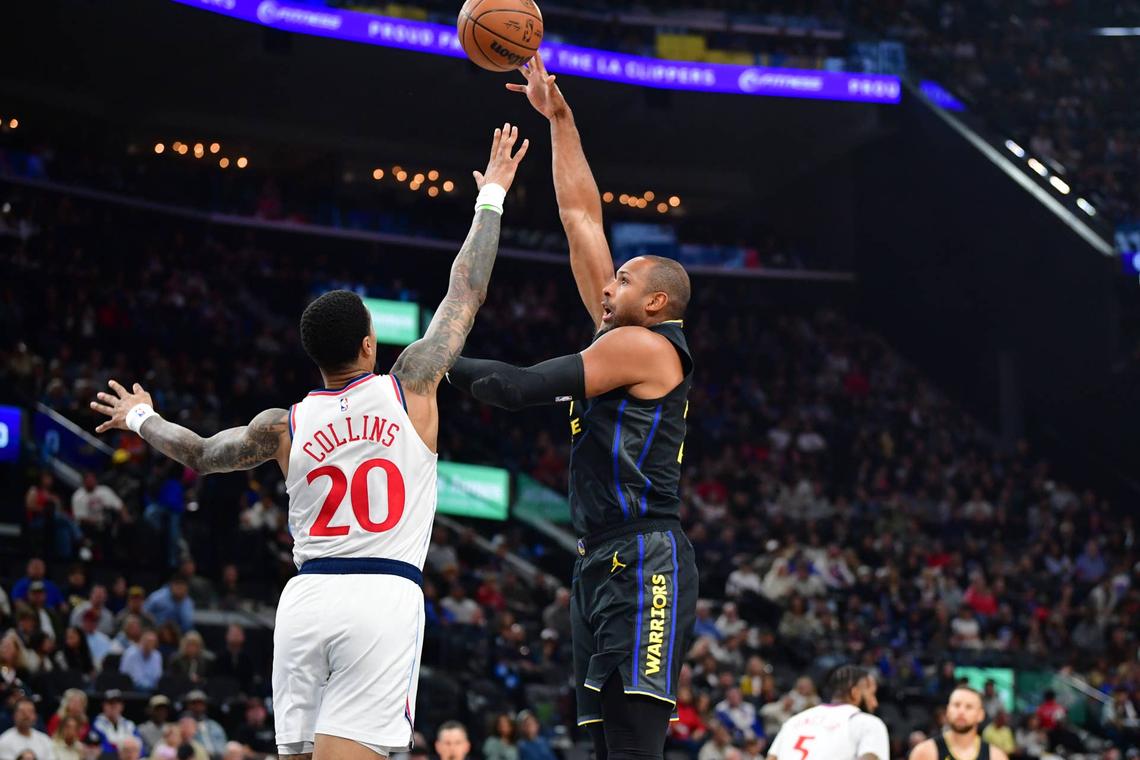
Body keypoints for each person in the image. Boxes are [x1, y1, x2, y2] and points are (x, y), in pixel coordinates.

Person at [90, 123, 529, 760]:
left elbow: (202, 453)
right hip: (381, 597)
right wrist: (490, 194)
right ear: (370, 345)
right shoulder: (412, 383)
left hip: (305, 601)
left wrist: (139, 418)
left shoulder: (282, 424)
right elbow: (467, 289)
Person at [450, 52, 698, 760]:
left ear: (655, 302)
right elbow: (581, 215)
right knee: (600, 745)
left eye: (621, 279)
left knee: (633, 741)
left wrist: (430, 361)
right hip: (600, 555)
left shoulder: (648, 349)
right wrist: (559, 116)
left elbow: (516, 388)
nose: (606, 283)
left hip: (646, 553)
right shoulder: (619, 328)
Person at [767, 665, 889, 760]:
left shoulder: (794, 721)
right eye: (871, 694)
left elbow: (771, 758)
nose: (875, 703)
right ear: (855, 693)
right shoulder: (867, 723)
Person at [908, 686, 1009, 760]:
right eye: (956, 705)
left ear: (980, 715)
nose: (961, 712)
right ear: (947, 710)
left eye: (968, 707)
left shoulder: (996, 756)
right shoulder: (924, 753)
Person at [183, 691, 226, 758]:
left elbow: (222, 745)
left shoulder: (214, 725)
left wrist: (215, 754)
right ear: (188, 706)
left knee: (233, 747)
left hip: (217, 756)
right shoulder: (184, 724)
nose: (197, 706)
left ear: (205, 705)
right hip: (197, 757)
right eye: (194, 703)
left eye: (200, 703)